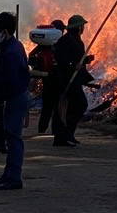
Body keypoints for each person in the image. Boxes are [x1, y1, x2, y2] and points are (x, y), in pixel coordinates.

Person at [0, 12, 31, 191]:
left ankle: (14, 178)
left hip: (16, 97)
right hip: (18, 96)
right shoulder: (15, 45)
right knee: (11, 137)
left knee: (13, 139)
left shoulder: (11, 52)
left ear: (4, 31)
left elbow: (12, 80)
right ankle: (8, 175)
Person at [51, 14, 94, 147]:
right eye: (82, 26)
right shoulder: (66, 40)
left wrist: (86, 60)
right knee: (78, 105)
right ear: (78, 27)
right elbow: (59, 57)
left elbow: (78, 58)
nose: (84, 28)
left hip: (74, 79)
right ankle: (63, 135)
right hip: (66, 80)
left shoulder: (77, 40)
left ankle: (67, 134)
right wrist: (71, 65)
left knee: (73, 107)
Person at [30, 19, 65, 134]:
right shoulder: (59, 42)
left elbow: (31, 56)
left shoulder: (43, 44)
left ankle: (42, 128)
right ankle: (56, 131)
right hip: (55, 79)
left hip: (47, 79)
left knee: (47, 106)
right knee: (58, 107)